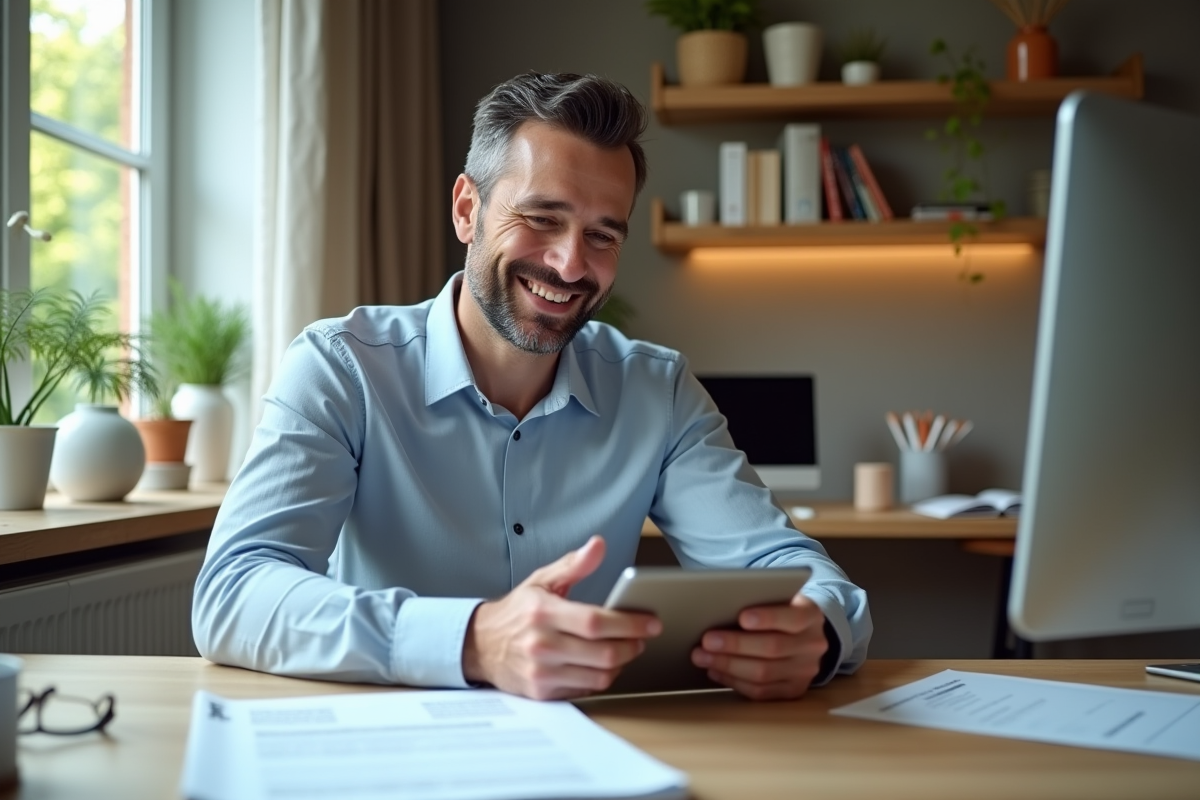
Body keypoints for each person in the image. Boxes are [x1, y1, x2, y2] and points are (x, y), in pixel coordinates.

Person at [193, 72, 871, 702]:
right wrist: (475, 640)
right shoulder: (341, 368)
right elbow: (232, 592)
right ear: (468, 210)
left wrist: (815, 632)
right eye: (542, 219)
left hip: (599, 749)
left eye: (602, 235)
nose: (571, 264)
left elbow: (786, 566)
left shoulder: (656, 390)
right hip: (392, 744)